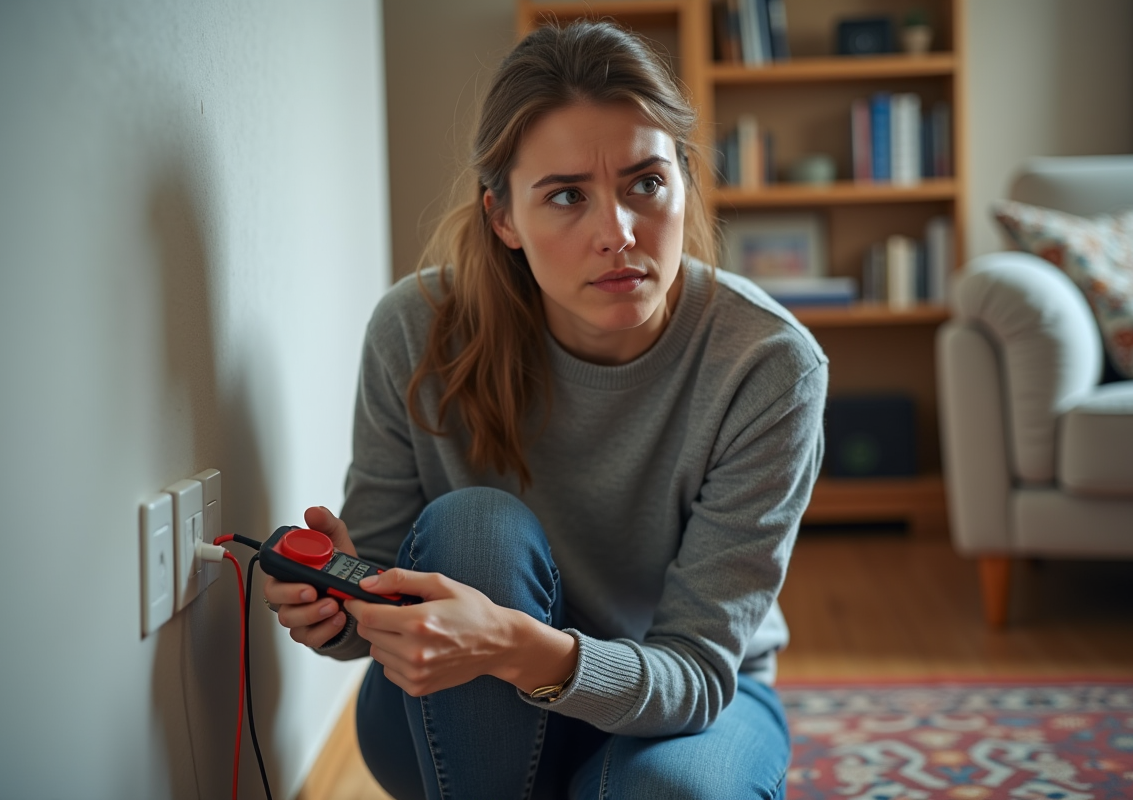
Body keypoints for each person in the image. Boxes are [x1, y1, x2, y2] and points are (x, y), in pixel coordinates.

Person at [263, 19, 827, 800]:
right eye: (567, 196)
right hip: (459, 715)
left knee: (672, 793)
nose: (618, 233)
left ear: (685, 181)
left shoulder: (767, 366)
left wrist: (515, 645)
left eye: (646, 183)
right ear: (503, 218)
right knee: (477, 527)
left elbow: (696, 672)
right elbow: (377, 612)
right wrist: (337, 612)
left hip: (672, 704)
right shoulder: (416, 332)